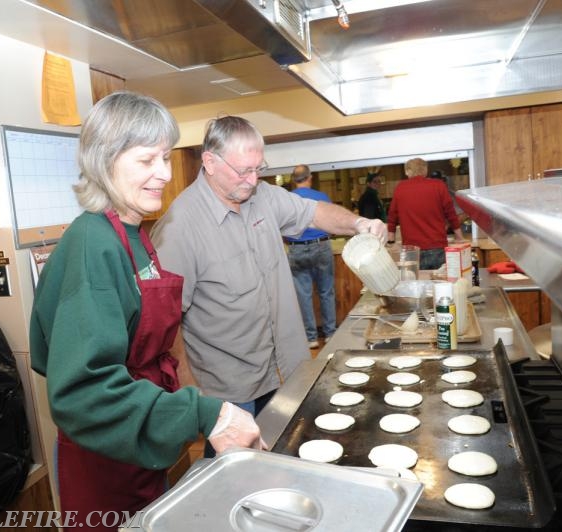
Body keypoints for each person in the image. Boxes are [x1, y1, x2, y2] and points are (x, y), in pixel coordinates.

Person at [29, 92, 262, 531]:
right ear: (104, 160)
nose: (164, 174)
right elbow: (82, 390)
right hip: (104, 457)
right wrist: (205, 412)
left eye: (167, 158)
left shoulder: (135, 233)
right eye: (146, 161)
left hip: (139, 441)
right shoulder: (91, 242)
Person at [150, 115, 387, 419]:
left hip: (287, 371)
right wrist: (194, 400)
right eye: (243, 170)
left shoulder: (262, 196)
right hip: (230, 394)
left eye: (258, 169)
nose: (252, 180)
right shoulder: (178, 228)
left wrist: (358, 222)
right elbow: (167, 327)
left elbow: (314, 212)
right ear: (209, 162)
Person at [284, 164, 337, 349]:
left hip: (296, 249)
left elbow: (281, 227)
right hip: (321, 246)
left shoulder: (287, 199)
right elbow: (332, 223)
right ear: (310, 177)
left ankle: (311, 337)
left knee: (303, 295)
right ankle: (330, 334)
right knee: (326, 292)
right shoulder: (322, 197)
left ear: (293, 179)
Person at [387, 157, 464, 270]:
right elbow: (450, 213)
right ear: (425, 170)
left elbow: (392, 216)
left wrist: (391, 240)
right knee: (440, 283)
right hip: (437, 248)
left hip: (411, 251)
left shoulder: (400, 188)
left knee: (414, 284)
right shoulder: (438, 185)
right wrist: (459, 236)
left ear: (407, 171)